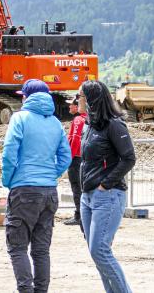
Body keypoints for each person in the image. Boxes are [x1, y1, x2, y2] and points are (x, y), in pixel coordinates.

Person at [2, 79, 72, 293]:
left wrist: (8, 180)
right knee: (41, 250)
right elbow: (66, 156)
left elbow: (9, 153)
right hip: (49, 191)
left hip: (24, 189)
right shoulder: (55, 122)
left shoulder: (20, 118)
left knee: (17, 247)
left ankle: (25, 290)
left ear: (26, 97)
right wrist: (53, 173)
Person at [79, 80, 136, 293]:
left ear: (92, 99)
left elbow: (129, 158)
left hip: (107, 195)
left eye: (80, 96)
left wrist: (105, 184)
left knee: (100, 251)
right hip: (88, 196)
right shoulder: (90, 124)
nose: (77, 100)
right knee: (97, 253)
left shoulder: (114, 125)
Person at [64, 95, 87, 226]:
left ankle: (79, 215)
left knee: (77, 187)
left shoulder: (78, 120)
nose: (70, 106)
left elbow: (75, 140)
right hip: (84, 157)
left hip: (76, 158)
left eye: (72, 104)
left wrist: (69, 157)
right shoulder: (87, 118)